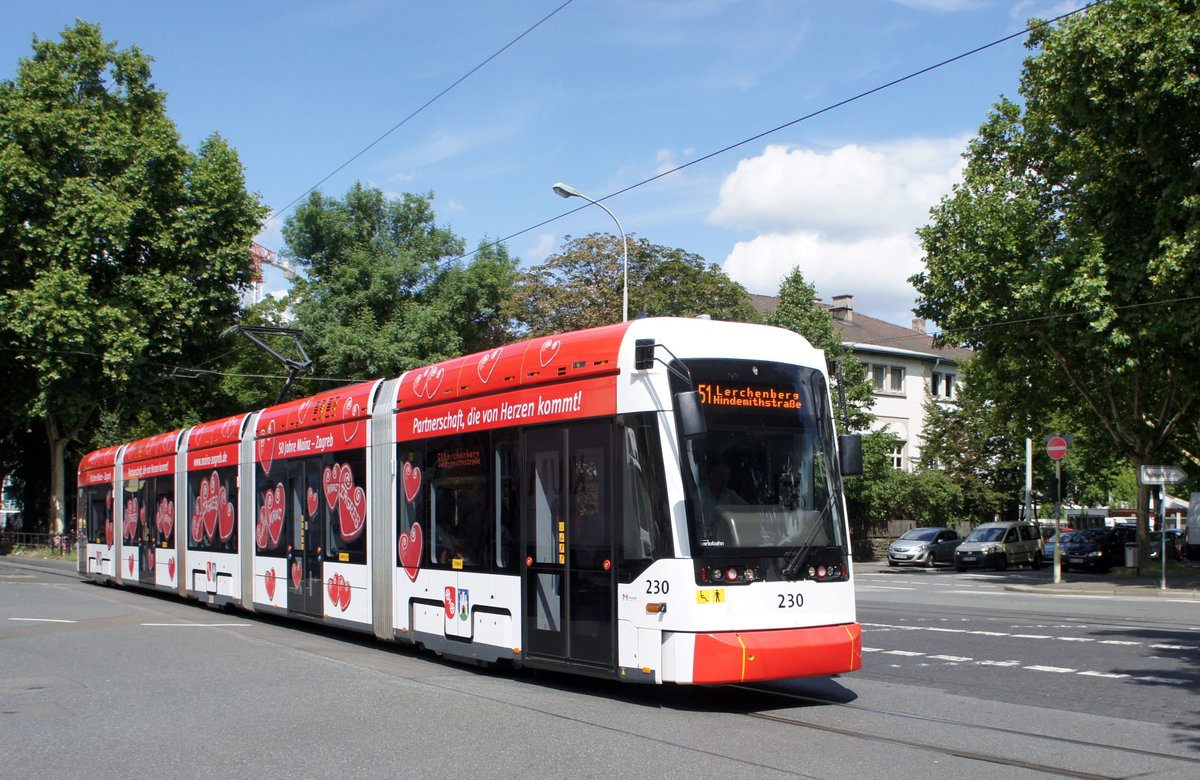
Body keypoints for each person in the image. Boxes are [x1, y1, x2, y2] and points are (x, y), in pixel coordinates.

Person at [698, 460, 745, 544]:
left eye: (727, 475)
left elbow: (748, 510)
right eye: (721, 474)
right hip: (704, 543)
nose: (725, 479)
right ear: (711, 475)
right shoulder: (699, 496)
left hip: (728, 542)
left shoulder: (731, 495)